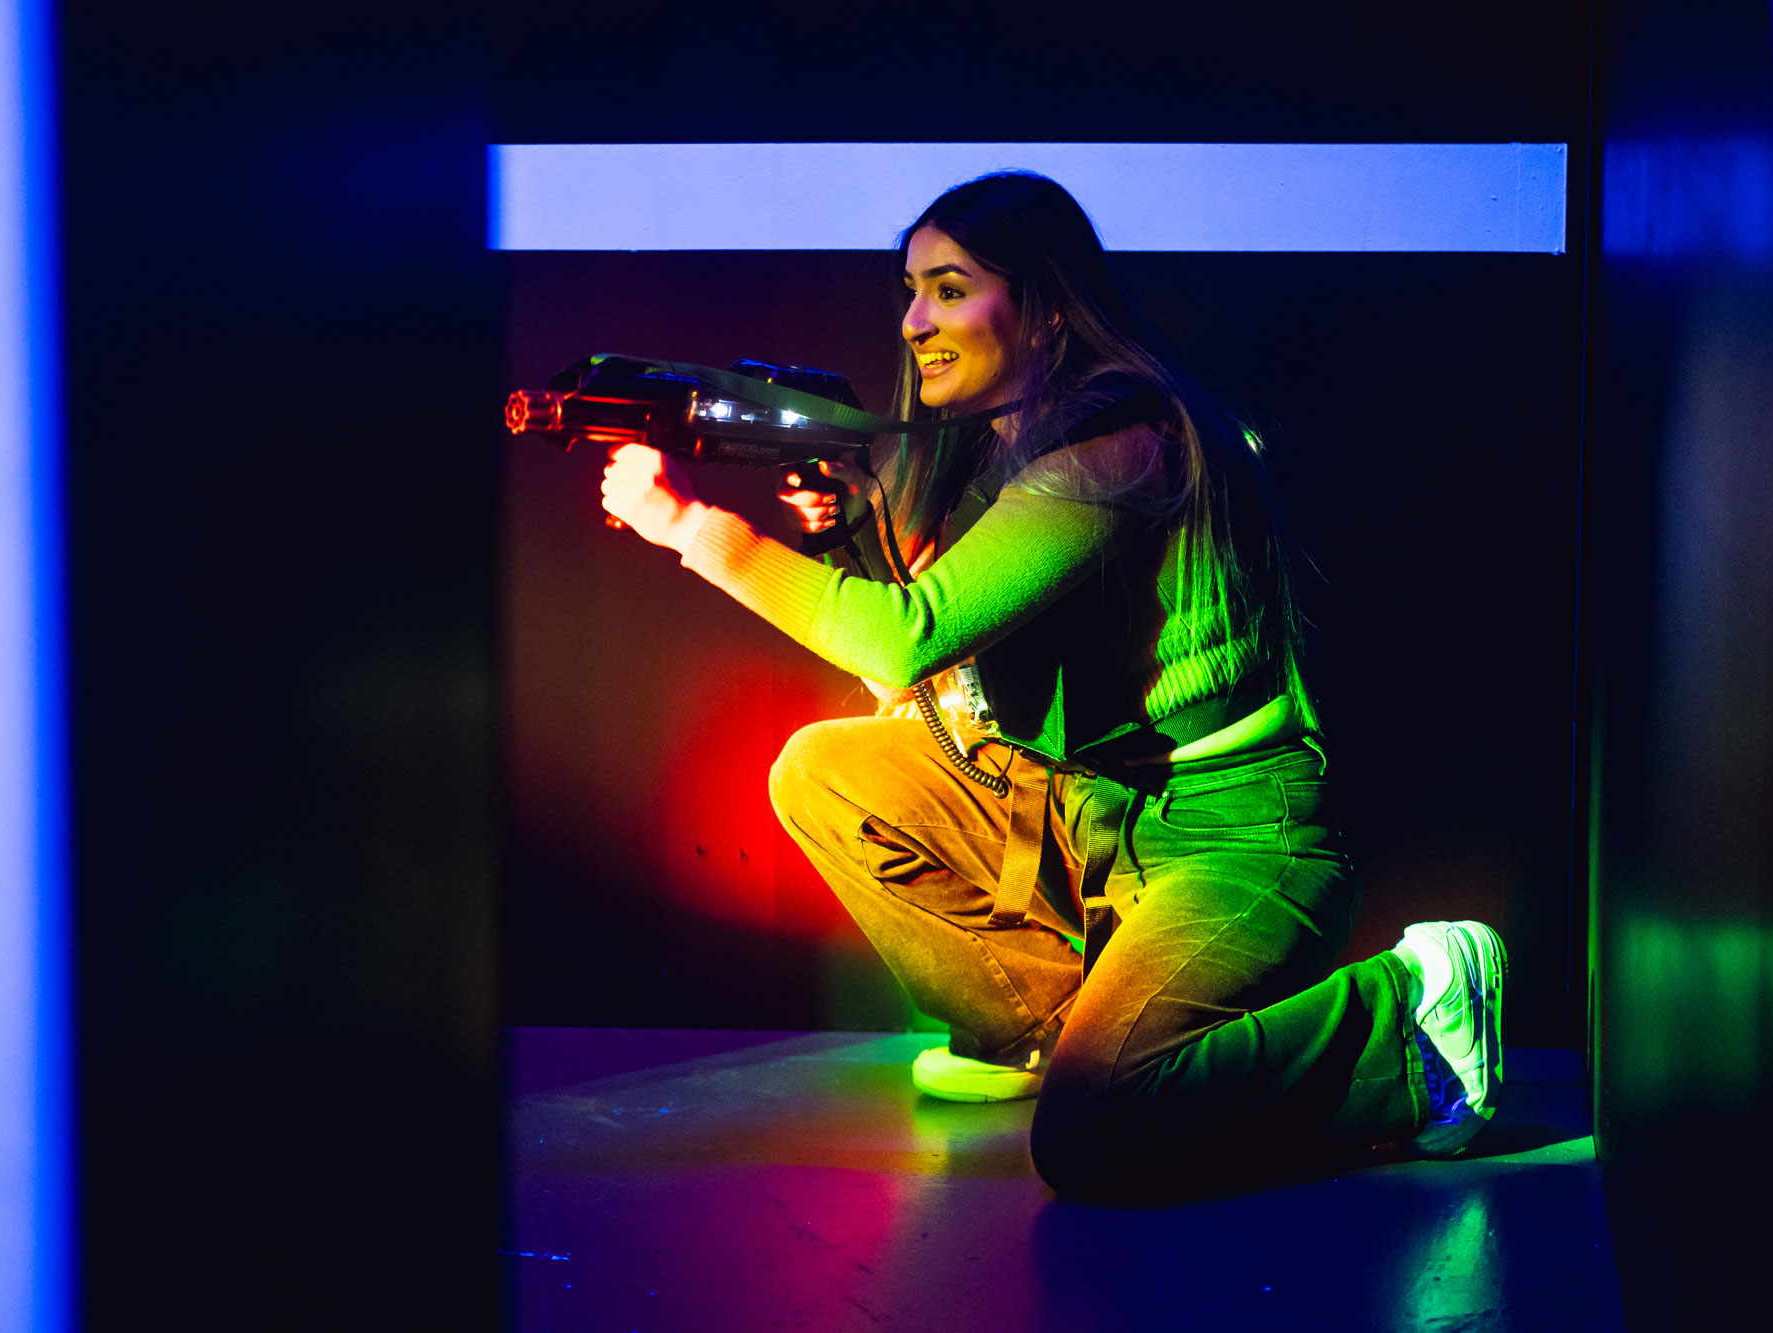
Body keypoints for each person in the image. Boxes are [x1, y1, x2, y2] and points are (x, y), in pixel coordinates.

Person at [598, 171, 1502, 1201]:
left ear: (1040, 302)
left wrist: (689, 527)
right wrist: (844, 521)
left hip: (1235, 835)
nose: (910, 323)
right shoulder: (1010, 449)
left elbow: (905, 639)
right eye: (907, 291)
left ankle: (1408, 1015)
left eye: (946, 288)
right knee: (825, 770)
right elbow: (931, 667)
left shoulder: (1123, 443)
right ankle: (1033, 1026)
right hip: (1086, 816)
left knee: (1096, 1129)